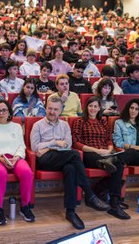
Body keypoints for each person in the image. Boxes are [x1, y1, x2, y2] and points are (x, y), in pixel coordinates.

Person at [30, 96, 109, 230]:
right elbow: (35, 147)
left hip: (61, 156)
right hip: (45, 160)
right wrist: (55, 143)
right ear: (45, 108)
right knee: (74, 154)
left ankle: (70, 211)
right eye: (49, 108)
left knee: (71, 169)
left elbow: (68, 144)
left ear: (60, 111)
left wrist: (48, 147)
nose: (52, 112)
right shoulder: (38, 125)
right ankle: (89, 194)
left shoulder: (65, 125)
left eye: (55, 109)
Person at [72, 96, 130, 220]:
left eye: (95, 106)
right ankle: (105, 166)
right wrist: (97, 151)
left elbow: (108, 139)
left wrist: (109, 149)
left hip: (105, 152)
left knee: (120, 163)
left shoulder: (103, 121)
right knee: (107, 161)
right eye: (90, 106)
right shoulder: (79, 122)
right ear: (86, 107)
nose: (93, 109)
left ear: (99, 108)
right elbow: (76, 143)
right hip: (90, 152)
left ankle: (114, 203)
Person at [0, 100, 35, 225]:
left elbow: (21, 146)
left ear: (9, 112)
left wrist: (16, 157)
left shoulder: (16, 126)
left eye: (4, 110)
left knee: (27, 172)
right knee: (0, 172)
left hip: (15, 158)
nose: (1, 113)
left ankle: (24, 206)